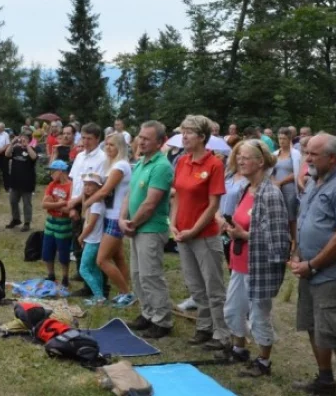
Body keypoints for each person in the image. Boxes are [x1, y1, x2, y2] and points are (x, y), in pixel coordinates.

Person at [290, 133, 336, 396]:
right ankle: (325, 380)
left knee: (335, 333)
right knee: (313, 326)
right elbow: (307, 220)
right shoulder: (313, 181)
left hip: (331, 274)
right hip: (309, 269)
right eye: (306, 152)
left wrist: (313, 264)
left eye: (313, 154)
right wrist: (298, 254)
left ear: (332, 158)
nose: (307, 158)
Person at [214, 139, 292, 377]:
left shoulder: (270, 193)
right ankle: (239, 348)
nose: (240, 161)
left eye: (245, 157)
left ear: (260, 162)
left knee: (259, 316)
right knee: (233, 309)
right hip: (239, 262)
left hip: (259, 266)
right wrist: (229, 228)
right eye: (238, 156)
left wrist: (244, 234)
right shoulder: (245, 189)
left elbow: (279, 239)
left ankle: (264, 362)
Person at [171, 115, 229, 350]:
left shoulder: (213, 164)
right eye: (183, 131)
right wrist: (172, 224)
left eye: (189, 132)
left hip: (204, 235)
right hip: (182, 233)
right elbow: (176, 197)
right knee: (195, 286)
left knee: (213, 286)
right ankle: (204, 327)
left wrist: (194, 230)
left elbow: (213, 204)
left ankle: (222, 333)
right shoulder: (182, 161)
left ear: (202, 137)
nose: (184, 136)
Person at [121, 121, 174, 339]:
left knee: (151, 276)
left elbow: (151, 203)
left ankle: (162, 320)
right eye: (140, 137)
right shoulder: (141, 162)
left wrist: (133, 224)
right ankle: (147, 312)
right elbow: (129, 193)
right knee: (137, 274)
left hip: (150, 229)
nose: (141, 141)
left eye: (146, 138)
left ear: (160, 142)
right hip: (136, 227)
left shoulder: (161, 166)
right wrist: (123, 218)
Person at [80, 132, 133, 305]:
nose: (109, 148)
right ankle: (125, 291)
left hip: (115, 216)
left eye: (112, 145)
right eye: (107, 145)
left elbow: (103, 191)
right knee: (118, 257)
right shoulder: (113, 165)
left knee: (102, 260)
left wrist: (87, 203)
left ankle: (126, 293)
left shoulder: (120, 166)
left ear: (120, 147)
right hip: (111, 215)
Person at [67, 123, 107, 287]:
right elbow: (74, 181)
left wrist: (77, 203)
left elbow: (96, 186)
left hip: (91, 205)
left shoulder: (102, 158)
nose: (85, 141)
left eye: (89, 138)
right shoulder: (79, 156)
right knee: (77, 239)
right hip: (76, 202)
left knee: (90, 241)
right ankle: (82, 273)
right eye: (83, 137)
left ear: (97, 139)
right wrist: (71, 205)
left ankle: (95, 283)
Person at [77, 172, 108, 305]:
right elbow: (84, 208)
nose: (87, 187)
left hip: (93, 240)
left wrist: (81, 237)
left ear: (98, 187)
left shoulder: (96, 205)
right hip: (92, 239)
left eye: (91, 185)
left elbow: (91, 224)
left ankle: (98, 296)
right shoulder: (93, 203)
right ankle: (100, 294)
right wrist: (84, 195)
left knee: (83, 269)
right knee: (94, 268)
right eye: (85, 185)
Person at [42, 160, 74, 287]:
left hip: (64, 223)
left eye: (52, 171)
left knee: (63, 250)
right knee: (47, 249)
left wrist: (53, 204)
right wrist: (60, 203)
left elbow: (69, 209)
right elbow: (44, 204)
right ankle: (51, 275)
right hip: (51, 222)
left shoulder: (71, 186)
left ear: (60, 171)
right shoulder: (52, 184)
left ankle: (65, 277)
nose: (51, 174)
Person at [5, 127, 37, 231]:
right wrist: (12, 143)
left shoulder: (32, 149)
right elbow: (7, 154)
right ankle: (16, 219)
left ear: (29, 139)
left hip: (27, 182)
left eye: (25, 138)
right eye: (21, 137)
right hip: (15, 180)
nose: (23, 140)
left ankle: (27, 222)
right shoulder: (16, 149)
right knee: (13, 201)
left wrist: (27, 146)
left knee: (26, 203)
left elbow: (34, 157)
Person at [274, 127, 302, 242]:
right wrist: (274, 182)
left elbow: (296, 172)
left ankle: (295, 244)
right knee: (279, 216)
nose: (281, 141)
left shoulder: (295, 154)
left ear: (289, 139)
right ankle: (283, 241)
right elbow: (270, 171)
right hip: (276, 189)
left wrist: (280, 182)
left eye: (284, 139)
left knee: (291, 218)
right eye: (280, 138)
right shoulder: (275, 154)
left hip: (289, 189)